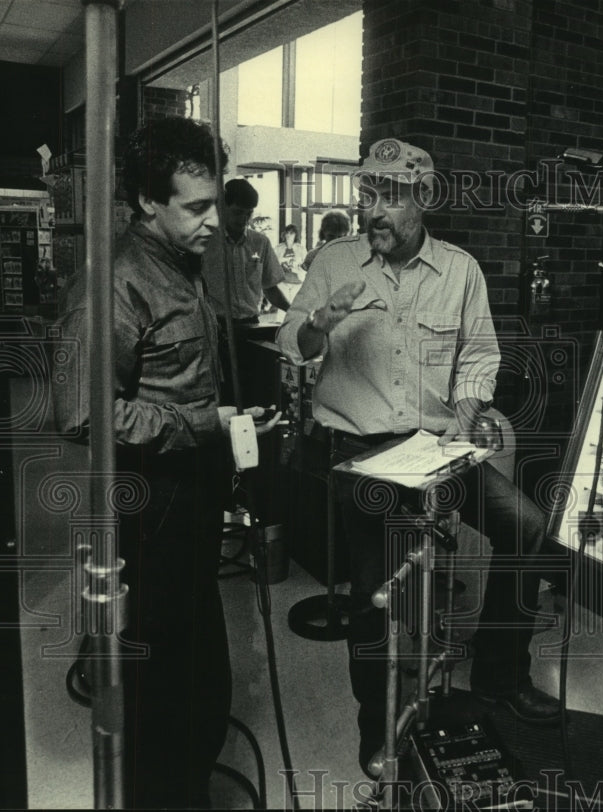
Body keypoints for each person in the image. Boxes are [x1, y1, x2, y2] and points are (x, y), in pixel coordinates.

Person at [275, 137, 559, 778]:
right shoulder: (334, 261)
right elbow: (293, 343)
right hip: (363, 452)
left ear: (423, 200)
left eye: (392, 197)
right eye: (368, 195)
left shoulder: (460, 270)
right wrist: (320, 322)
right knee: (381, 596)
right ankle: (375, 725)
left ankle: (498, 675)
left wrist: (468, 402)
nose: (375, 210)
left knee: (529, 527)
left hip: (438, 448)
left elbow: (481, 353)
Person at [52, 115, 281, 808]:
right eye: (198, 207)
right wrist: (197, 424)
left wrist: (233, 424)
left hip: (193, 496)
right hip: (151, 504)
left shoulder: (181, 265)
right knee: (162, 669)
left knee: (196, 662)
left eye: (218, 204)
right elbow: (82, 412)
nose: (215, 222)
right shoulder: (116, 281)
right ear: (149, 201)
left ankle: (182, 780)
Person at [202, 177, 290, 325]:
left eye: (248, 214)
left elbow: (270, 288)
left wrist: (293, 311)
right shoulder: (205, 242)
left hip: (251, 324)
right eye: (237, 212)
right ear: (222, 208)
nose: (243, 219)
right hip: (216, 326)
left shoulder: (260, 242)